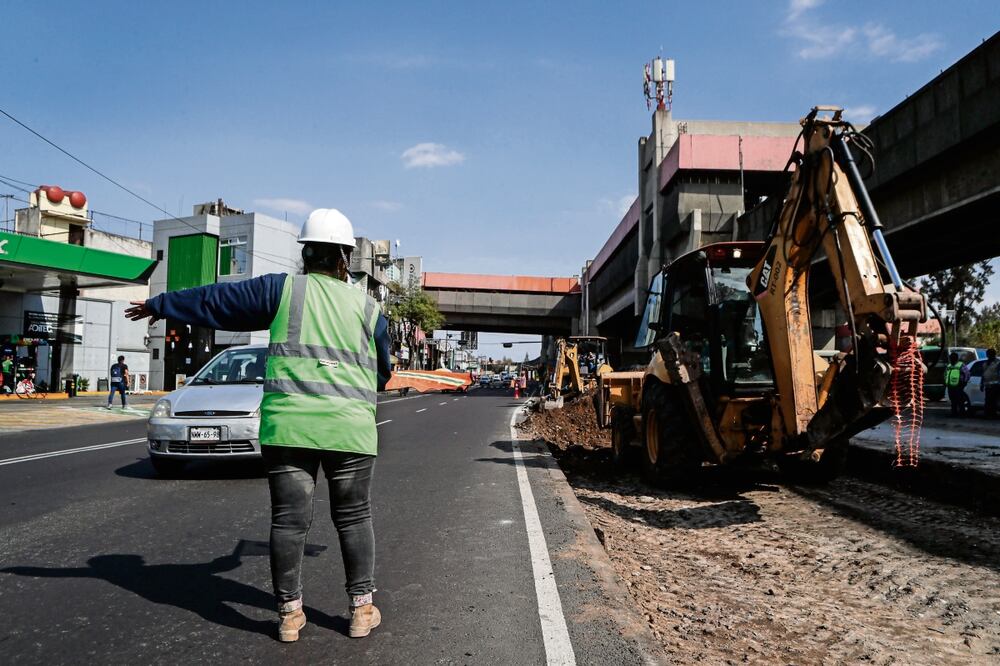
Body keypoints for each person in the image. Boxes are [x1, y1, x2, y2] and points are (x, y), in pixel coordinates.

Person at [125, 208, 390, 643]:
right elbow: (382, 372)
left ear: (305, 254)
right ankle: (361, 610)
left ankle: (289, 616)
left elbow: (216, 302)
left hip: (289, 430)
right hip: (350, 431)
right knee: (354, 517)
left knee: (289, 522)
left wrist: (160, 304)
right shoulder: (369, 308)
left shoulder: (281, 291)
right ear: (345, 258)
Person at [944, 352, 968, 417]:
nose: (951, 359)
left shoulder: (961, 365)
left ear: (956, 358)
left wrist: (964, 383)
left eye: (953, 357)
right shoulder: (949, 366)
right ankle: (954, 413)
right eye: (951, 357)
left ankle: (962, 413)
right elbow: (946, 374)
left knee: (960, 400)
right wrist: (945, 382)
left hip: (959, 385)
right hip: (950, 386)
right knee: (953, 400)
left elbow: (967, 374)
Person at [982, 348, 1000, 418]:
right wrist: (982, 384)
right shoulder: (985, 363)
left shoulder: (998, 362)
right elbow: (983, 374)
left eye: (989, 354)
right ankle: (988, 414)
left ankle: (993, 414)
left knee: (994, 401)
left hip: (996, 385)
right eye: (988, 354)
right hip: (988, 385)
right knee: (988, 400)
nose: (988, 355)